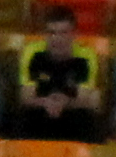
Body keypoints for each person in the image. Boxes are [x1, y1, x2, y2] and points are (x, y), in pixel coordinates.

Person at [10, 7, 102, 141]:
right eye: (51, 33)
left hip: (72, 111)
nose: (57, 39)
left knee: (86, 117)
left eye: (63, 33)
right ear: (45, 34)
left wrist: (65, 102)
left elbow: (86, 98)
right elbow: (25, 96)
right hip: (41, 109)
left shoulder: (86, 56)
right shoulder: (32, 53)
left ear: (74, 34)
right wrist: (45, 102)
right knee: (23, 117)